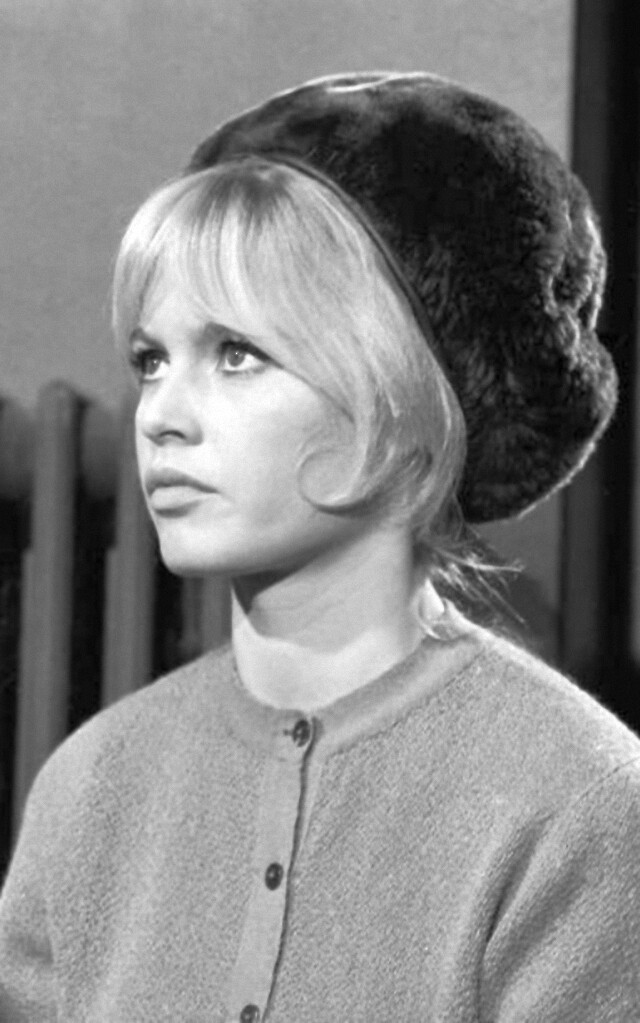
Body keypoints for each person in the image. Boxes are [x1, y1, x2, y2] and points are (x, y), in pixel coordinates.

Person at [1, 71, 638, 1022]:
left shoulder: (574, 798)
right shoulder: (89, 789)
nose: (161, 415)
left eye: (237, 354)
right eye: (151, 360)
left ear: (401, 392)